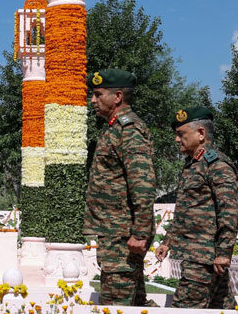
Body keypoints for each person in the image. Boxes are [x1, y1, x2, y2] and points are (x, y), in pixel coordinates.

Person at [83, 69, 156, 306]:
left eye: (97, 94)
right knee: (134, 304)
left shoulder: (129, 130)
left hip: (123, 235)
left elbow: (142, 184)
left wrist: (140, 233)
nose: (92, 100)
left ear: (117, 97)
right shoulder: (115, 129)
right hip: (117, 233)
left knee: (115, 305)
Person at [155, 107, 238, 309]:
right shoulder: (192, 165)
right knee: (222, 308)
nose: (177, 140)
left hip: (204, 260)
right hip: (198, 257)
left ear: (201, 134)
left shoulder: (217, 165)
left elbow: (229, 211)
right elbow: (186, 211)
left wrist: (223, 252)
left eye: (181, 134)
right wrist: (168, 242)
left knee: (184, 309)